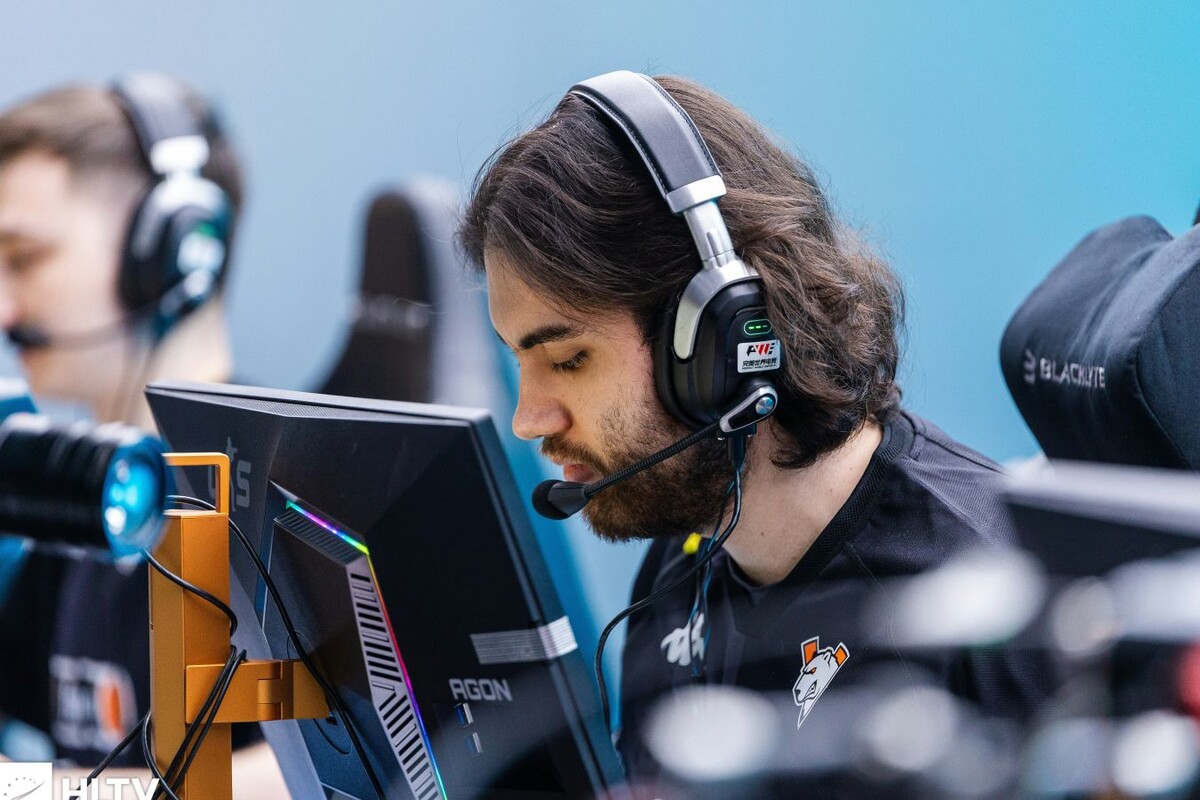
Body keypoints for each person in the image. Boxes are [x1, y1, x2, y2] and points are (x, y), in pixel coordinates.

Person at [460, 72, 1054, 794]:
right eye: (519, 361)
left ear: (722, 342)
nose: (529, 420)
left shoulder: (998, 615)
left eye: (567, 359)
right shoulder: (679, 572)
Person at [0, 74, 283, 793]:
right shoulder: (76, 497)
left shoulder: (286, 505)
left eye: (24, 259)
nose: (4, 307)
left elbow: (332, 777)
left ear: (174, 253)